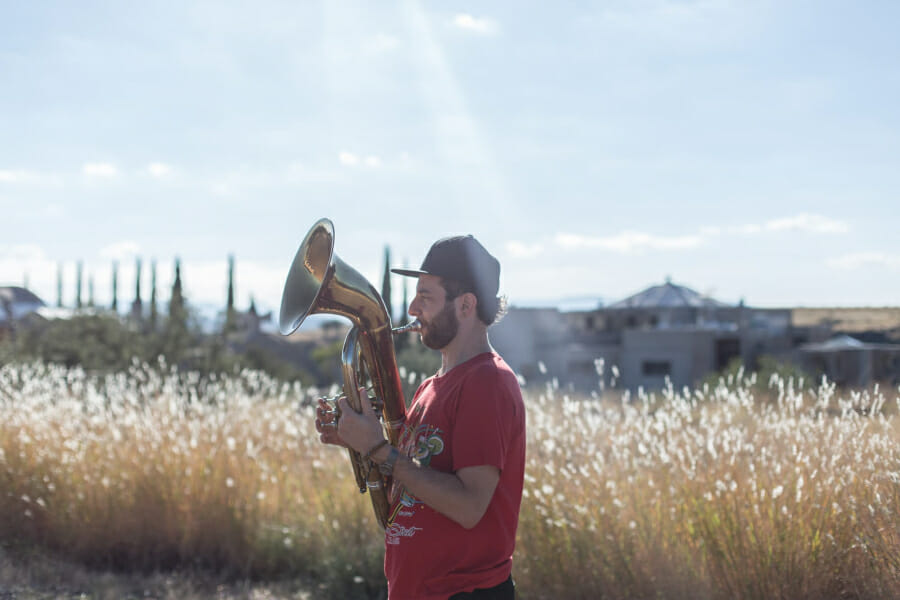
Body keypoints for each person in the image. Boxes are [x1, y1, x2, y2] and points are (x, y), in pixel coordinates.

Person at [315, 234, 526, 600]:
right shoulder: (432, 385)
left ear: (466, 304)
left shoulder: (486, 382)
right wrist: (355, 439)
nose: (412, 308)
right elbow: (409, 480)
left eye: (425, 297)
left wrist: (378, 448)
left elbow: (469, 505)